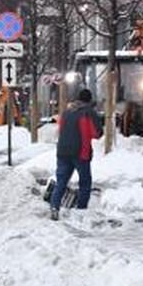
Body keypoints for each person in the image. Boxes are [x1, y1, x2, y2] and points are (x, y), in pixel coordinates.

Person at [50, 88, 103, 220]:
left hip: (62, 151)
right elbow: (97, 133)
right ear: (89, 100)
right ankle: (81, 211)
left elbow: (61, 129)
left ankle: (54, 206)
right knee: (85, 182)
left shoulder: (66, 112)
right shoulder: (88, 113)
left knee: (61, 181)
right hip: (80, 152)